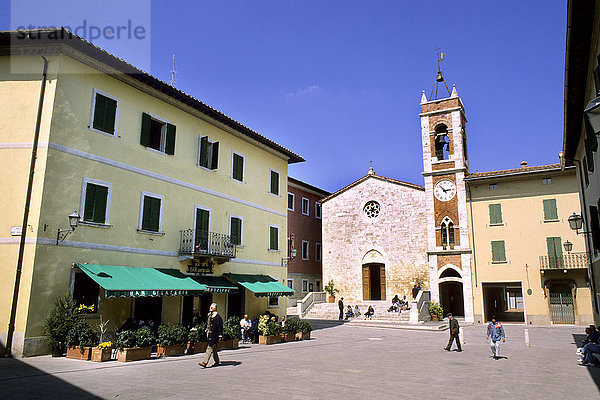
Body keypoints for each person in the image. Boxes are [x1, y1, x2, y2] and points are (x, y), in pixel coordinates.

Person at [199, 303, 223, 368]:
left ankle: (205, 362)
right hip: (209, 334)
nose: (210, 308)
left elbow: (220, 326)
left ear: (214, 309)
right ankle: (217, 362)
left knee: (210, 347)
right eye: (210, 307)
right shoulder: (209, 315)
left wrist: (220, 334)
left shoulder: (217, 317)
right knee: (214, 349)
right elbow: (207, 324)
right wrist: (206, 329)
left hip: (214, 335)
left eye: (211, 308)